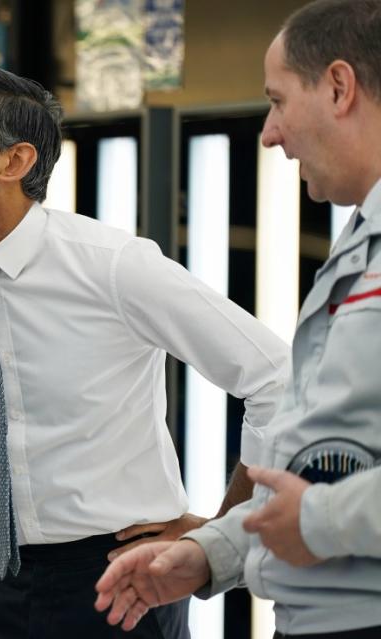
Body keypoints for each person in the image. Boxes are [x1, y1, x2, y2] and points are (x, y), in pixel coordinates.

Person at [0, 60, 290, 638]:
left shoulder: (111, 265)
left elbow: (276, 378)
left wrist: (220, 533)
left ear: (15, 161)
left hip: (122, 583)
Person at [94, 1, 381, 637]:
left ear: (339, 87)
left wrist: (322, 521)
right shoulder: (357, 250)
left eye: (277, 102)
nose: (269, 133)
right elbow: (316, 469)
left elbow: (317, 508)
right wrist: (205, 556)